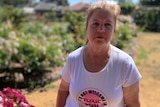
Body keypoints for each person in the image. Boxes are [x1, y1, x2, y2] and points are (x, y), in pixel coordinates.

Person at [56, 1, 142, 107]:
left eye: (107, 24)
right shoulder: (73, 59)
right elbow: (63, 90)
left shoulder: (125, 64)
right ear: (86, 27)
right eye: (95, 24)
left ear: (114, 29)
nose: (101, 29)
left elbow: (133, 104)